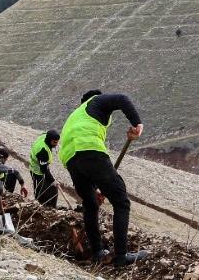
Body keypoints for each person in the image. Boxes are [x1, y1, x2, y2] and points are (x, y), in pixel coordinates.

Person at [59, 89, 148, 267]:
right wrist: (137, 124)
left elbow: (82, 159)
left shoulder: (77, 115)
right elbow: (122, 98)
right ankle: (121, 256)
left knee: (91, 204)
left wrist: (97, 187)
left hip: (71, 160)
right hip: (90, 150)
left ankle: (98, 252)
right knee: (121, 201)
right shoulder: (97, 100)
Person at [30, 130, 61, 207]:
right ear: (49, 140)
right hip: (36, 171)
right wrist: (53, 180)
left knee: (50, 188)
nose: (56, 144)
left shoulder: (45, 136)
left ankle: (50, 206)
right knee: (39, 189)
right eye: (54, 142)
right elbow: (43, 169)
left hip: (41, 164)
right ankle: (39, 205)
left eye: (57, 142)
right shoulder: (43, 151)